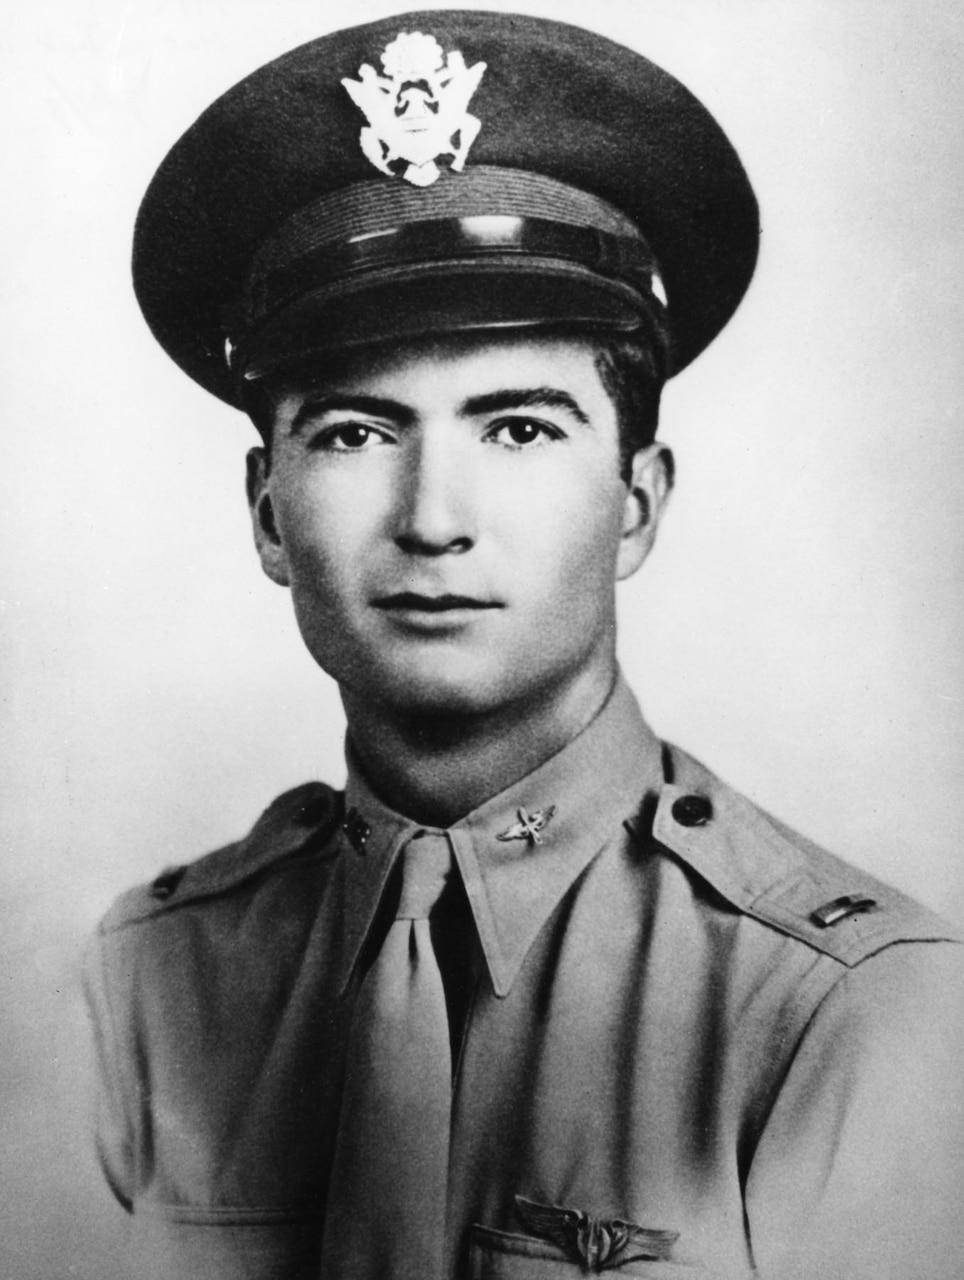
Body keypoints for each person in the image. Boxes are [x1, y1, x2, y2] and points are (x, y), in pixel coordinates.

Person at [83, 10, 964, 1279]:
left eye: (518, 428)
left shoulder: (852, 1014)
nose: (433, 519)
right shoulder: (141, 985)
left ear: (637, 505)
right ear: (268, 516)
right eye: (352, 433)